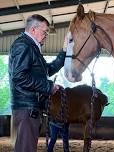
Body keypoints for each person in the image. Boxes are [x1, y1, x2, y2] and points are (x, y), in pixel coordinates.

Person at [8, 14, 67, 152]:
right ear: (33, 30)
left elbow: (48, 69)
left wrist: (64, 52)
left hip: (30, 109)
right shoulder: (23, 45)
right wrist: (48, 87)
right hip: (27, 109)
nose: (46, 34)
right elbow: (19, 77)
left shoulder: (31, 47)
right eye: (44, 31)